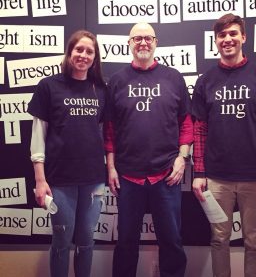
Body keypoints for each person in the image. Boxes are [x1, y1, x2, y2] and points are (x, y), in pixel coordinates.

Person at [192, 13, 256, 277]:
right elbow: (199, 130)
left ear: (243, 37)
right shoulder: (206, 81)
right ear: (216, 41)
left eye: (233, 33)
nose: (227, 39)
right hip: (217, 179)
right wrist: (199, 173)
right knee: (219, 240)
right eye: (222, 35)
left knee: (254, 243)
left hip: (255, 178)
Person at [105, 22, 193, 277]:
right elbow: (110, 129)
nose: (143, 42)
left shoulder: (174, 77)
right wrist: (110, 167)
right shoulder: (117, 81)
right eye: (137, 38)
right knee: (125, 244)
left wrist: (181, 159)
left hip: (166, 174)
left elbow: (186, 122)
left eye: (148, 38)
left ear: (156, 42)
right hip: (127, 176)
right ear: (129, 44)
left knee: (172, 242)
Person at [28, 30, 107, 277]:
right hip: (59, 180)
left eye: (89, 51)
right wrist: (40, 181)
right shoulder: (49, 86)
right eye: (79, 49)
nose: (83, 55)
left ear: (95, 58)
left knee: (86, 242)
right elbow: (38, 135)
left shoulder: (101, 90)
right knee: (62, 242)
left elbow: (104, 134)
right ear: (69, 52)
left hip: (93, 180)